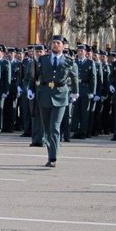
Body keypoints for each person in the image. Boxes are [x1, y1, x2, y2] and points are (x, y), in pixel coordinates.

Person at [27, 35, 78, 167]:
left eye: (58, 43)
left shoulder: (68, 61)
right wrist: (31, 89)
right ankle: (50, 154)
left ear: (63, 46)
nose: (55, 45)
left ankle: (53, 158)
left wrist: (75, 92)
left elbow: (74, 77)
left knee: (54, 126)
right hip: (44, 95)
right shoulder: (42, 60)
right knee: (47, 129)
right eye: (53, 43)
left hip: (61, 95)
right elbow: (35, 76)